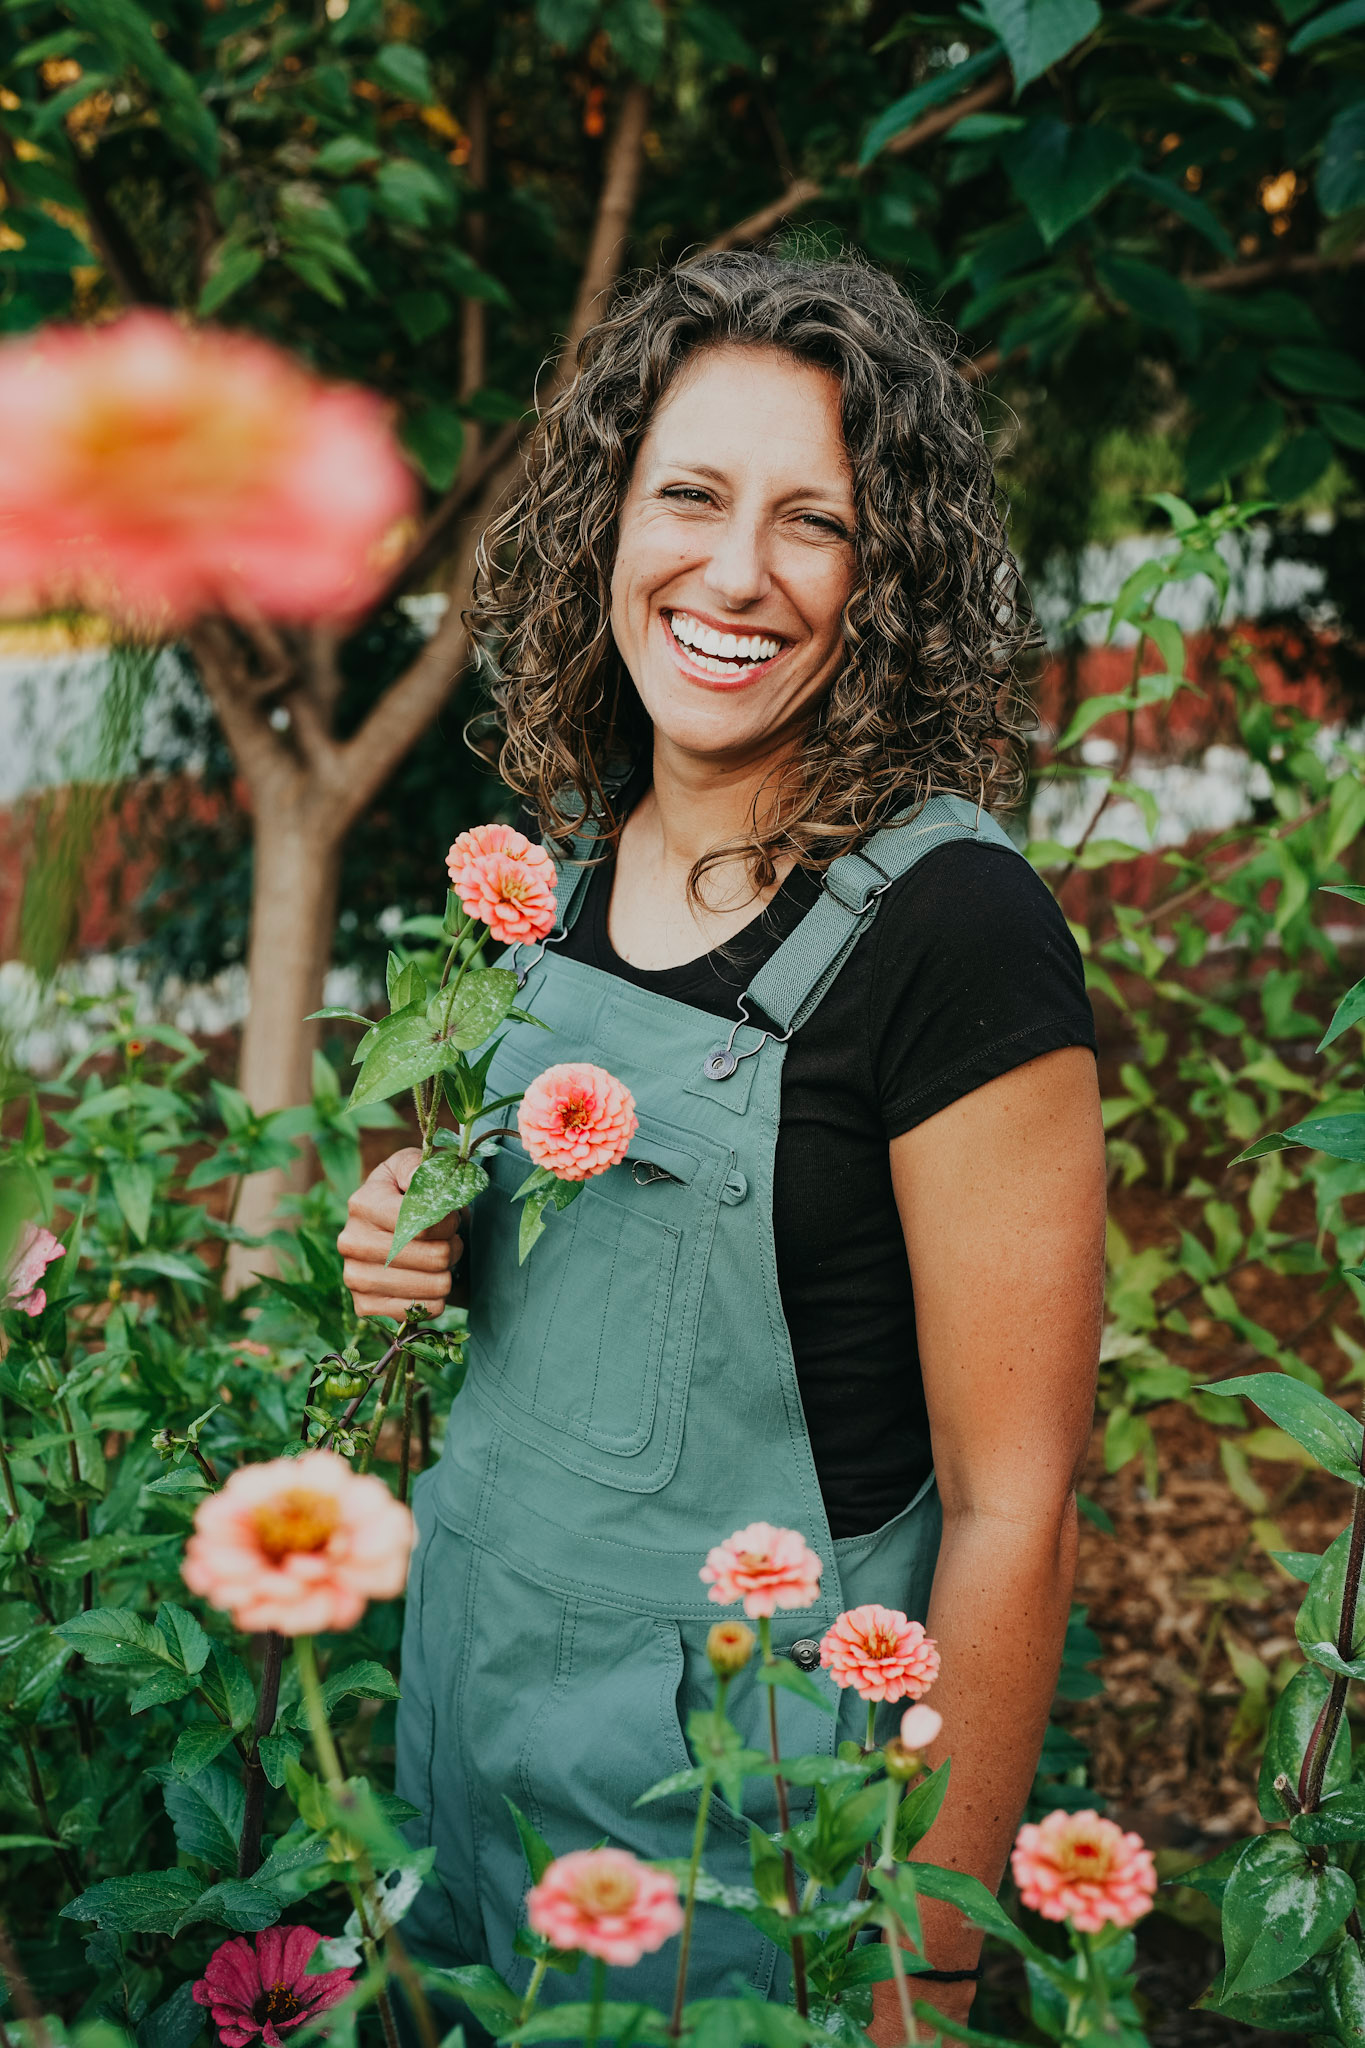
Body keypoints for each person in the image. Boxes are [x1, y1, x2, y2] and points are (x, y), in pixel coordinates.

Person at [339, 249, 1105, 2043]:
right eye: (689, 494)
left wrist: (916, 1997)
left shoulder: (954, 933)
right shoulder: (562, 870)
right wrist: (411, 1247)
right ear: (607, 518)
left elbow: (1017, 1512)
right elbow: (512, 1349)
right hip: (467, 1763)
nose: (735, 572)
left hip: (741, 1862)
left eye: (815, 522)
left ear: (891, 573)